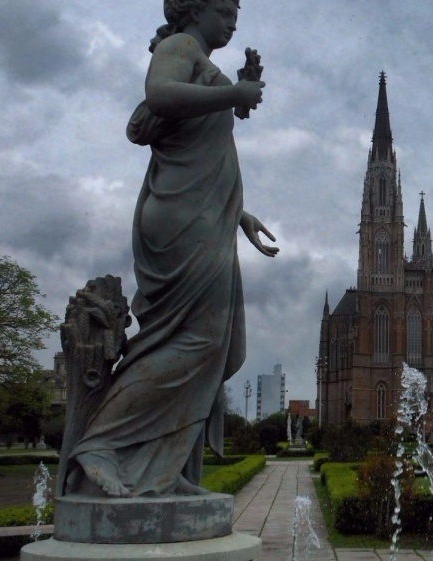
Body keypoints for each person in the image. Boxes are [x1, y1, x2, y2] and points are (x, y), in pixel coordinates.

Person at [65, 0, 277, 498]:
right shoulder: (179, 47)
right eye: (224, 9)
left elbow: (204, 142)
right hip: (183, 217)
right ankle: (101, 445)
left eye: (235, 11)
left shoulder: (202, 63)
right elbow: (158, 96)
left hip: (209, 215)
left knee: (217, 346)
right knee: (195, 342)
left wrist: (237, 212)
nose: (233, 19)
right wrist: (233, 93)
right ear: (194, 9)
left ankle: (162, 473)